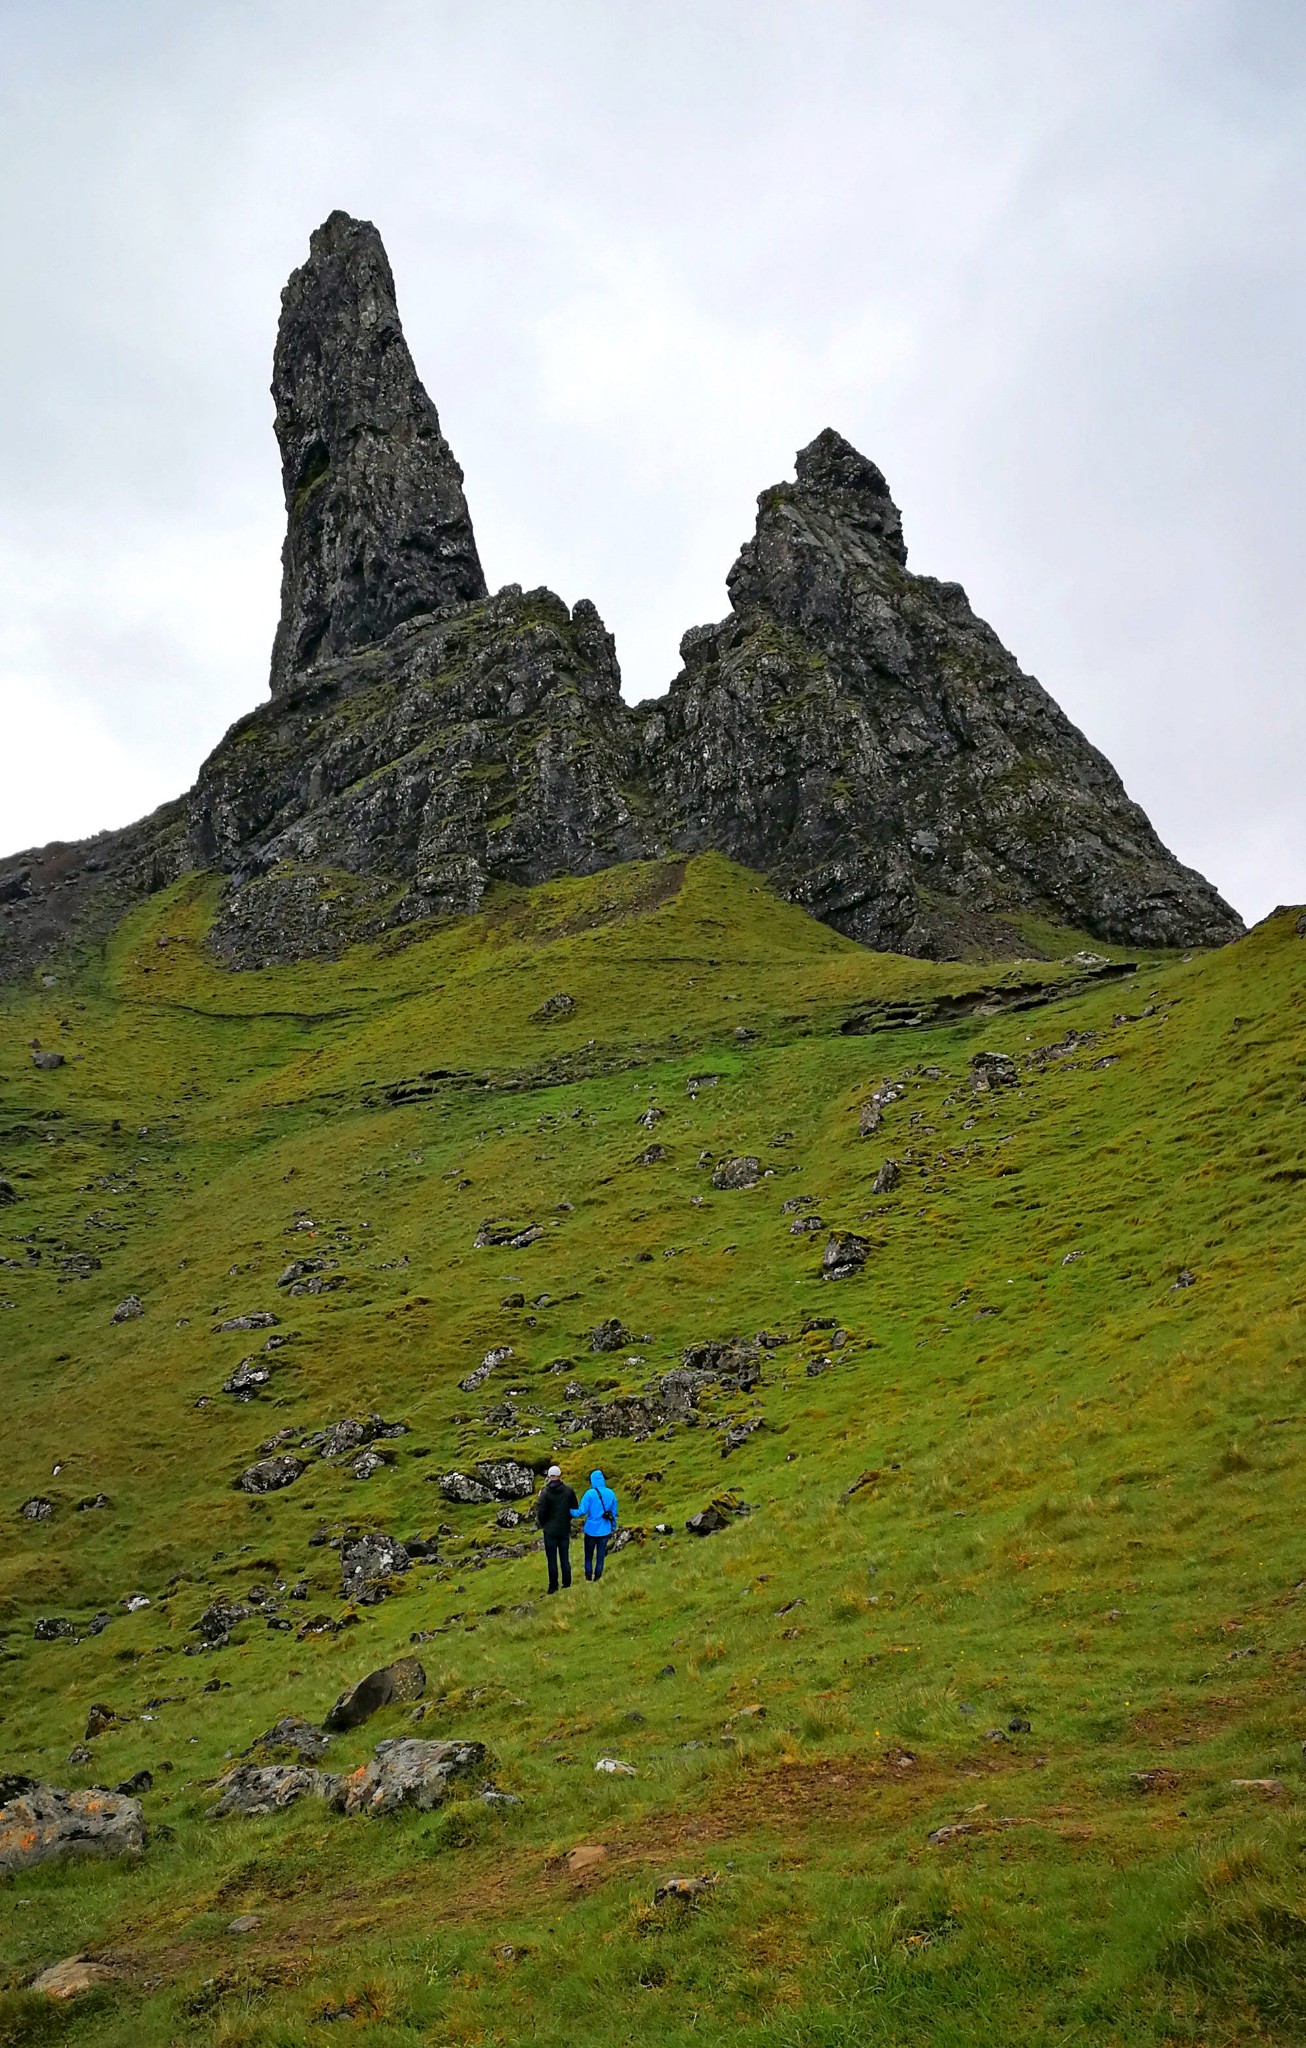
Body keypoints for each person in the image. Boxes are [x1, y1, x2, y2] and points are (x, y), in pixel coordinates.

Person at [535, 1464, 579, 1593]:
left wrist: (544, 1524)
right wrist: (566, 1520)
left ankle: (553, 1586)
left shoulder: (545, 1493)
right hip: (564, 1529)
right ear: (560, 1476)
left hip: (550, 1531)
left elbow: (541, 1513)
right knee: (565, 1558)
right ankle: (567, 1584)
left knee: (552, 1559)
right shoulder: (568, 1491)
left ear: (549, 1476)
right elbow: (574, 1508)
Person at [575, 1467, 619, 1582]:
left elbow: (582, 1511)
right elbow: (613, 1513)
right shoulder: (611, 1493)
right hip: (605, 1530)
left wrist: (569, 1512)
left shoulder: (589, 1494)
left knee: (588, 1556)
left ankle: (588, 1577)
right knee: (600, 1556)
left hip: (591, 1530)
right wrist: (613, 1526)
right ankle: (598, 1578)